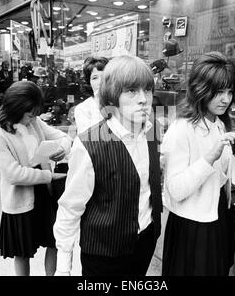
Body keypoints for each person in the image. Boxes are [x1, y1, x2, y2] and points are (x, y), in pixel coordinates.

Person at [54, 55, 163, 276]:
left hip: (145, 240)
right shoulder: (89, 144)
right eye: (132, 91)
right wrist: (63, 268)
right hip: (104, 254)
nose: (143, 99)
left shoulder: (151, 131)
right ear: (113, 96)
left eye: (147, 90)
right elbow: (70, 207)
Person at [161, 52, 235, 276]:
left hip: (217, 218)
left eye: (230, 91)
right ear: (201, 89)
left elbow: (217, 176)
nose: (226, 99)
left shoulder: (219, 124)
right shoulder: (182, 128)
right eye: (219, 92)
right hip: (191, 226)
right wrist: (210, 157)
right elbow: (175, 189)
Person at [0, 81, 72, 276]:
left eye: (34, 113)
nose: (32, 118)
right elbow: (13, 174)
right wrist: (49, 176)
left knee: (54, 242)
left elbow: (64, 137)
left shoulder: (34, 122)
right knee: (22, 253)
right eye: (29, 113)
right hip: (20, 198)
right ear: (16, 108)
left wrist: (62, 148)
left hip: (44, 192)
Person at [74, 56, 108, 133]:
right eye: (95, 78)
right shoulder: (83, 109)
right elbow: (90, 139)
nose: (100, 82)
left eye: (104, 77)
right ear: (89, 83)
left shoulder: (118, 103)